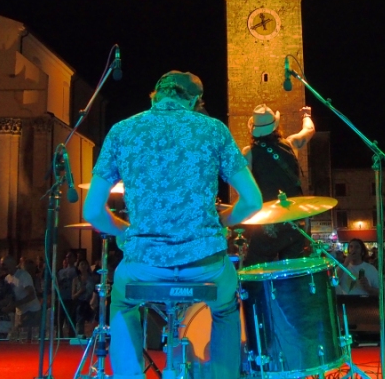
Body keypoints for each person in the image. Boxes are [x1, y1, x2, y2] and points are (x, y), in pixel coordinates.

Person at [82, 71, 263, 379]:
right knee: (225, 309)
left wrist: (125, 231)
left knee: (123, 303)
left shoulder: (122, 131)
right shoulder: (213, 130)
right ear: (194, 101)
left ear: (156, 95)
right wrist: (223, 220)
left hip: (145, 265)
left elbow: (92, 211)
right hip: (204, 264)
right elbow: (253, 201)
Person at [240, 104, 315, 267]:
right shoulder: (291, 144)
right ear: (276, 126)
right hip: (294, 219)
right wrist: (306, 115)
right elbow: (309, 130)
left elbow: (245, 186)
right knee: (293, 271)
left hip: (269, 222)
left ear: (254, 129)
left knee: (255, 268)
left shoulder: (249, 153)